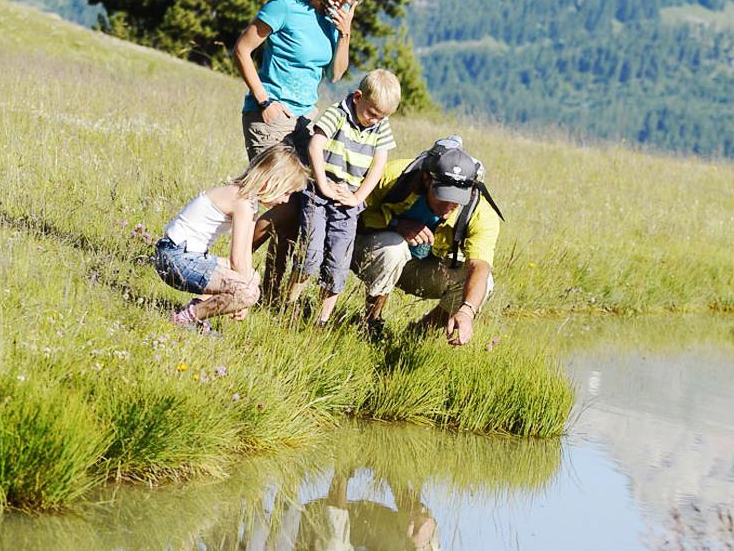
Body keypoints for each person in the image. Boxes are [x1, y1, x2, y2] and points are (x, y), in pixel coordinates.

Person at [350, 138, 503, 345]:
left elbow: (480, 266)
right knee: (394, 247)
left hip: (417, 269)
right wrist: (396, 224)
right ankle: (370, 323)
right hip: (367, 253)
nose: (449, 205)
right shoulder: (393, 177)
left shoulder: (481, 212)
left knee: (486, 283)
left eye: (457, 199)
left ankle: (413, 336)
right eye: (443, 196)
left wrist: (467, 312)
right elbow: (348, 220)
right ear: (426, 180)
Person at [230, 0, 372, 161]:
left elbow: (335, 75)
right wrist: (264, 102)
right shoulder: (285, 5)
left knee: (300, 192)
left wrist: (345, 33)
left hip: (305, 118)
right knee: (269, 191)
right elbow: (241, 50)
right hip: (271, 114)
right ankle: (210, 197)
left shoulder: (332, 18)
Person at [152, 143, 311, 331]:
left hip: (180, 255)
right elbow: (236, 259)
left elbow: (246, 253)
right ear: (271, 181)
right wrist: (244, 296)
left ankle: (196, 310)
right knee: (249, 290)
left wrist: (245, 289)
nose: (286, 200)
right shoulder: (242, 202)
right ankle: (185, 319)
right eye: (287, 192)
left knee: (253, 278)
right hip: (175, 259)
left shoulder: (248, 200)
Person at [287, 70, 400, 325]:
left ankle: (322, 320)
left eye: (381, 117)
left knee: (339, 260)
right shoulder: (337, 113)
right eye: (372, 113)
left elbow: (379, 165)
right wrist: (324, 185)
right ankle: (290, 306)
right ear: (358, 97)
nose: (374, 121)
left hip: (349, 202)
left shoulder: (380, 126)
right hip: (320, 194)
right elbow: (315, 146)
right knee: (310, 254)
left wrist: (358, 196)